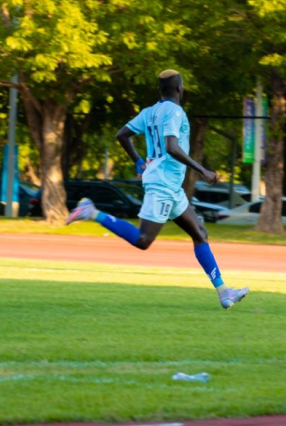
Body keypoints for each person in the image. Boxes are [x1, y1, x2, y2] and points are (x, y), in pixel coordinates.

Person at [66, 69, 249, 309]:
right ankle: (91, 212)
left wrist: (138, 160)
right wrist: (202, 170)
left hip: (171, 187)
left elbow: (122, 135)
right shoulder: (175, 112)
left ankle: (224, 292)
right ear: (180, 89)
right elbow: (172, 147)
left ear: (159, 90)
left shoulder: (149, 112)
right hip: (163, 185)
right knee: (143, 240)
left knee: (199, 233)